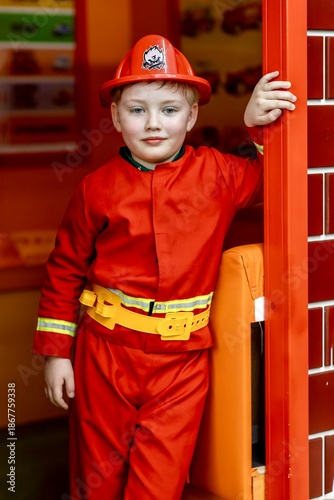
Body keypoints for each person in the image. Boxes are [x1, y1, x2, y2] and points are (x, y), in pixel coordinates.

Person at [33, 34, 296, 500]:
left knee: (159, 485)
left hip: (182, 364)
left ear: (192, 115)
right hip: (104, 356)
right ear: (115, 116)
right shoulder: (95, 190)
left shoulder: (220, 174)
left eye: (170, 110)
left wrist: (257, 128)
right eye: (137, 110)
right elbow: (64, 269)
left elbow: (276, 179)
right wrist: (56, 353)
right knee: (96, 481)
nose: (153, 123)